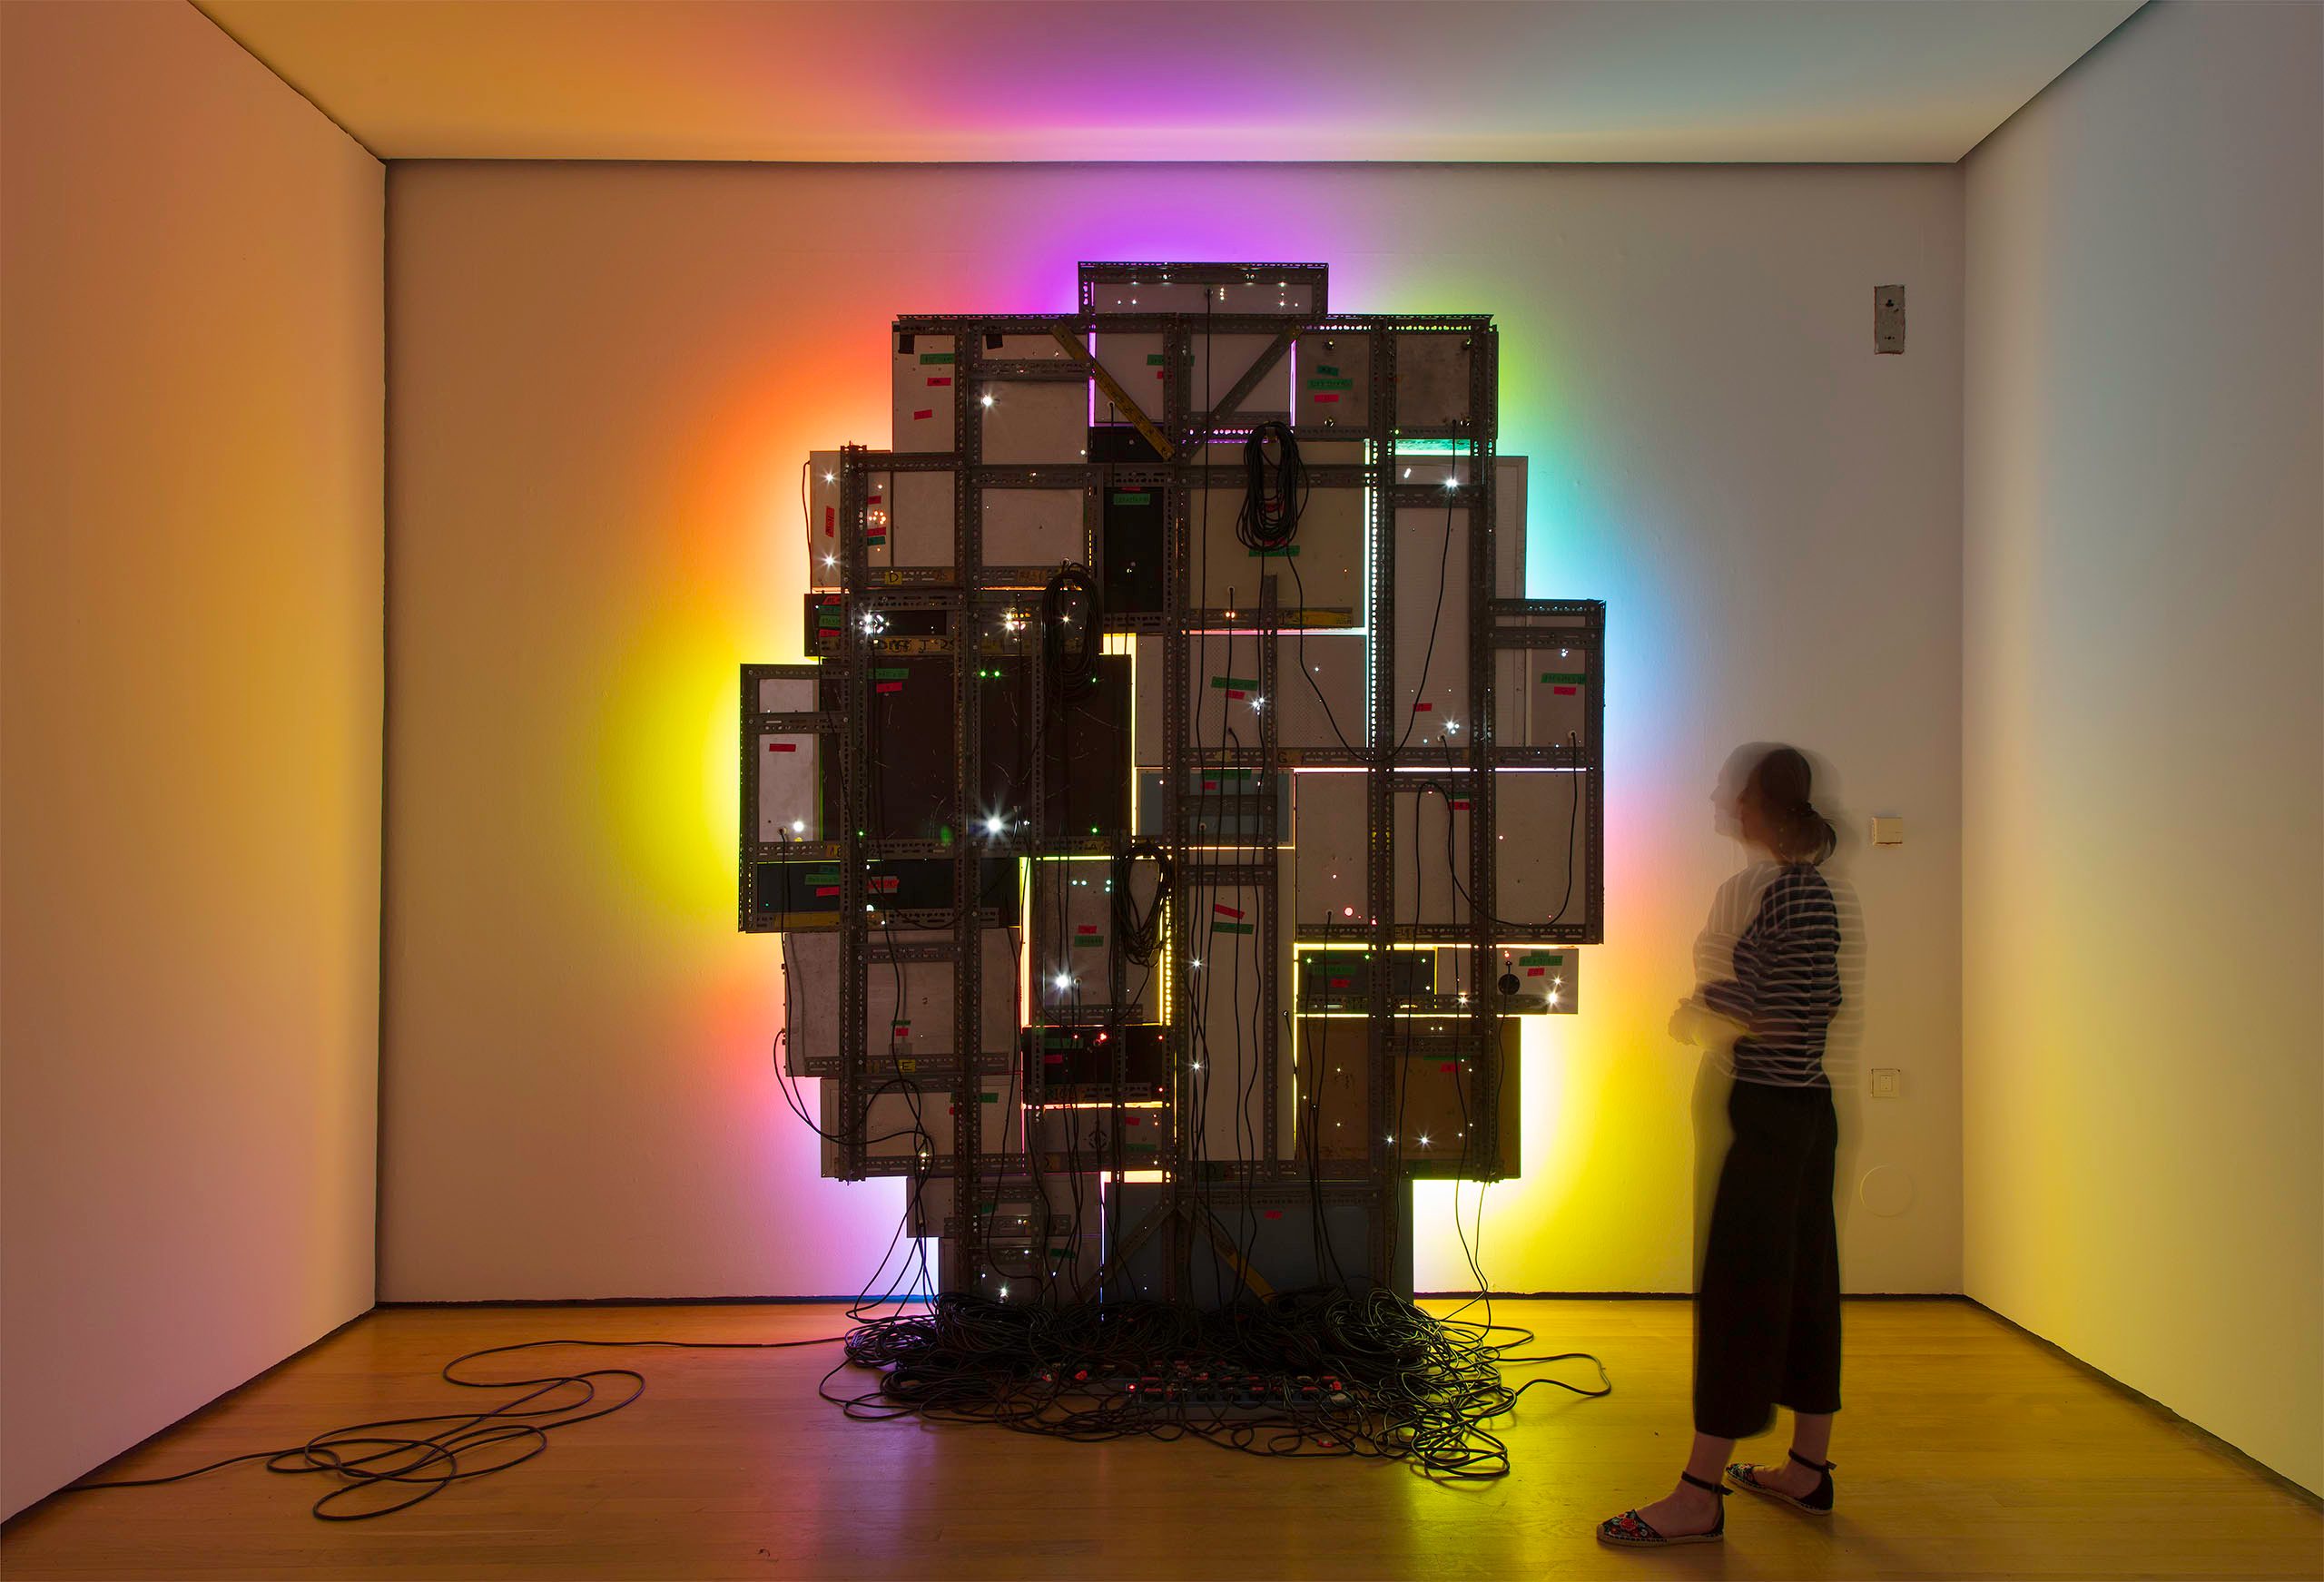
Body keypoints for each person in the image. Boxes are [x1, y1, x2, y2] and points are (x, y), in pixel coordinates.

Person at [1600, 744, 1846, 1548]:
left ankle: (1698, 1493)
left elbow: (1773, 1005)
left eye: (1733, 791)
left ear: (1761, 806)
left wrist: (1701, 1007)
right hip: (1808, 1109)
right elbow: (1823, 1001)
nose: (1721, 799)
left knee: (1740, 1299)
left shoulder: (1777, 895)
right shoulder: (1809, 895)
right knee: (1807, 1285)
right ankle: (1809, 1469)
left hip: (1770, 1115)